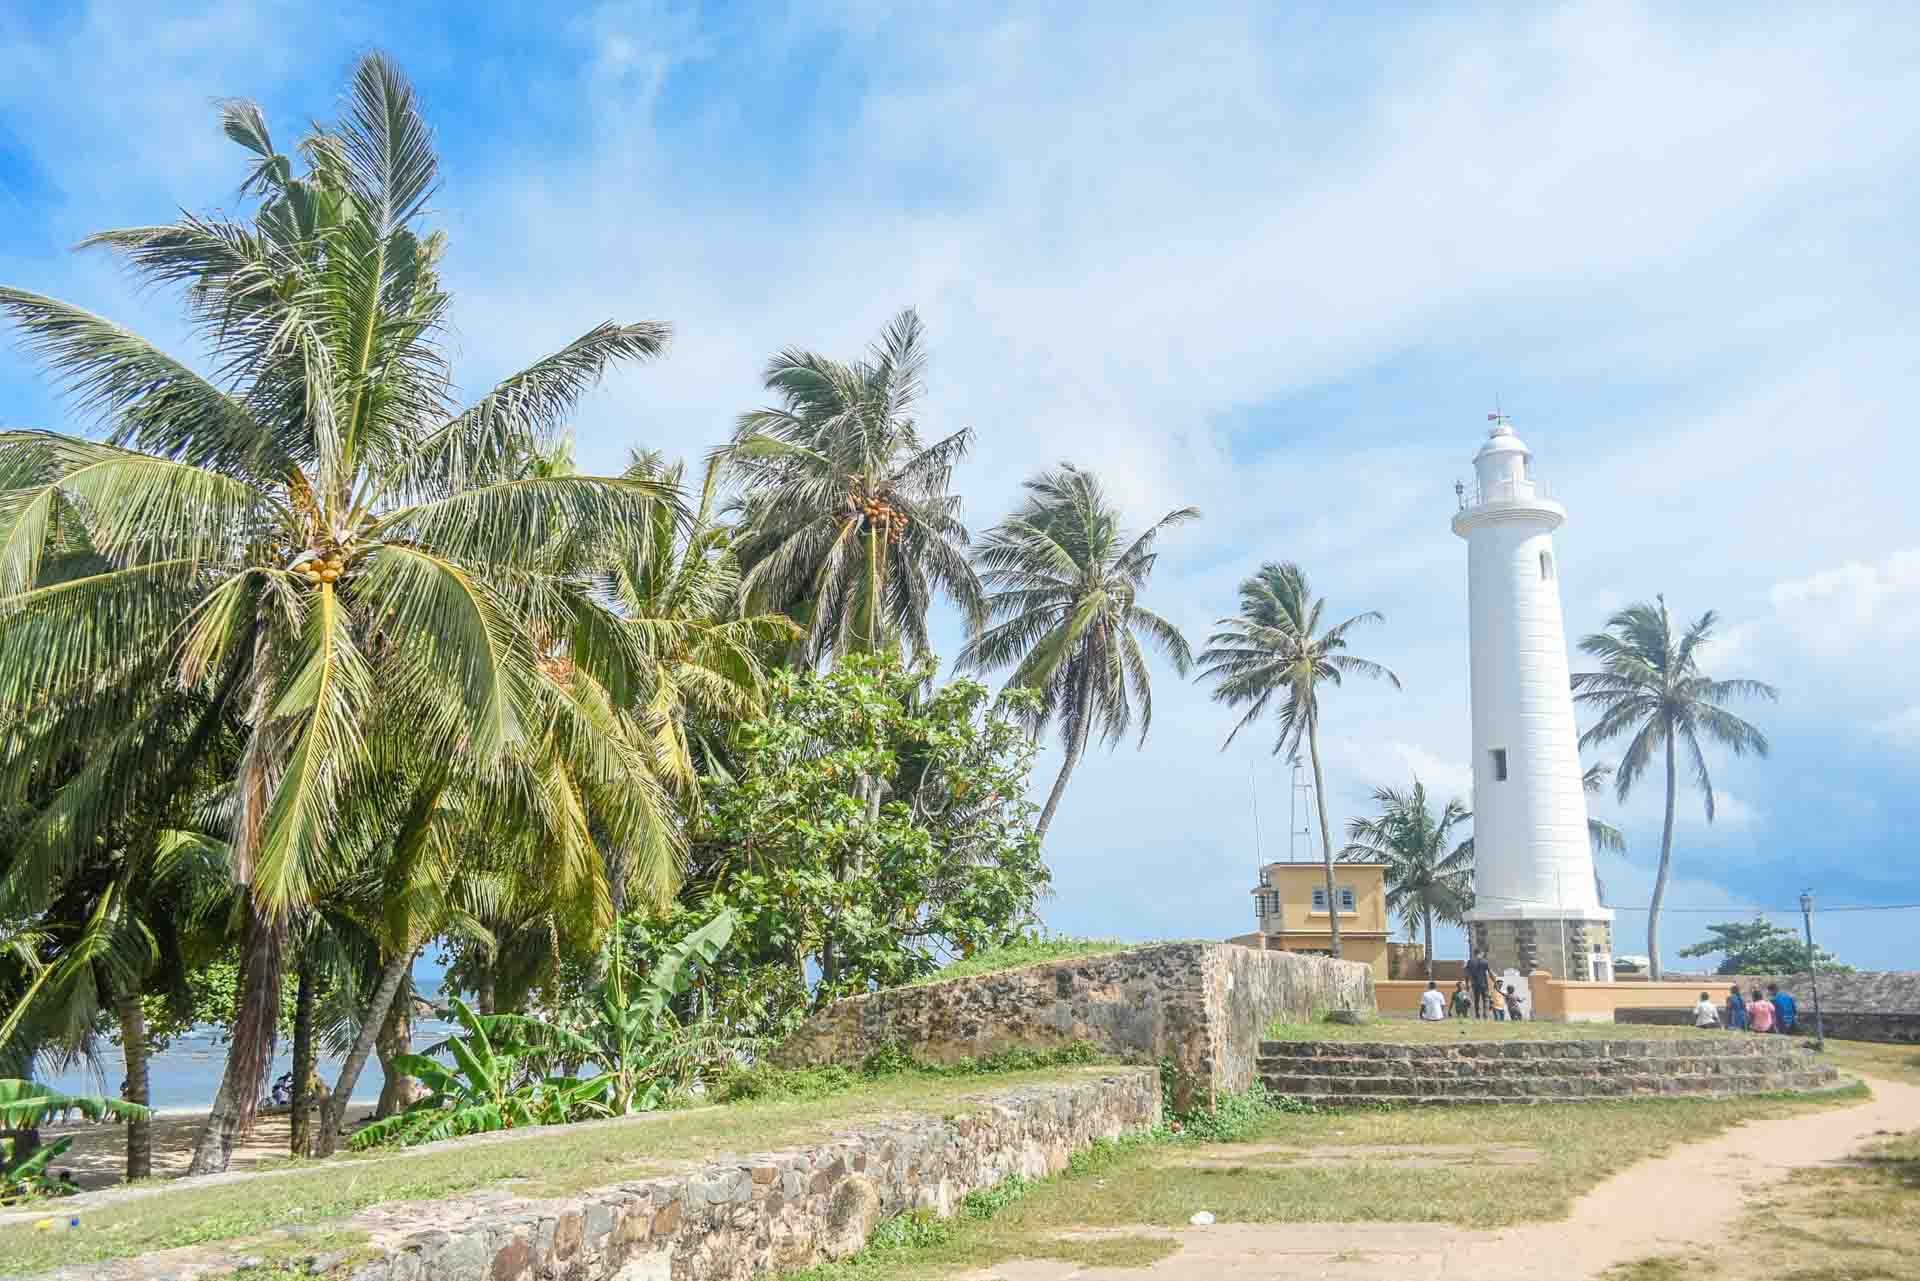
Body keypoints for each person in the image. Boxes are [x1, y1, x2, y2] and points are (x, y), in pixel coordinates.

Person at [1465, 952, 1493, 1019]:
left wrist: (1467, 984)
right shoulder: (1484, 961)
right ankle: (1485, 1015)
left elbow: (1466, 974)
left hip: (1475, 984)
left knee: (1476, 1000)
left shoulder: (1470, 962)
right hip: (1484, 984)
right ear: (1480, 953)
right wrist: (1494, 981)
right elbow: (1490, 972)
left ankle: (1477, 1015)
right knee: (1485, 1000)